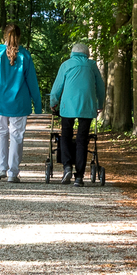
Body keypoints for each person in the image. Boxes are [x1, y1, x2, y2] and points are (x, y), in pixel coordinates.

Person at [0, 22, 42, 181]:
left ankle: (1, 168)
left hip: (0, 101)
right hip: (20, 103)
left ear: (4, 36)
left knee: (1, 133)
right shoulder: (25, 55)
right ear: (19, 36)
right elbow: (32, 82)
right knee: (17, 136)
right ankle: (13, 173)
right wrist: (38, 104)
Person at [49, 41, 104, 186]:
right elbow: (100, 88)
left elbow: (57, 87)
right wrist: (100, 104)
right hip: (87, 106)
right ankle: (79, 176)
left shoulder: (66, 65)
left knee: (66, 135)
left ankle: (67, 166)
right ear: (87, 54)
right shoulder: (92, 65)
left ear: (72, 53)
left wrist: (53, 103)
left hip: (68, 107)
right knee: (82, 139)